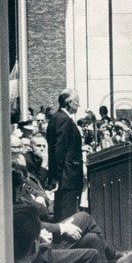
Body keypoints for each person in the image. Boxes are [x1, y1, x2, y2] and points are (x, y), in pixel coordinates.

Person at [47, 89, 84, 221]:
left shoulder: (56, 118)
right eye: (77, 102)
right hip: (67, 177)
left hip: (64, 176)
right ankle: (64, 241)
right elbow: (59, 150)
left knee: (62, 213)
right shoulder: (64, 120)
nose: (78, 106)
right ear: (68, 102)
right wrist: (57, 177)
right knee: (66, 216)